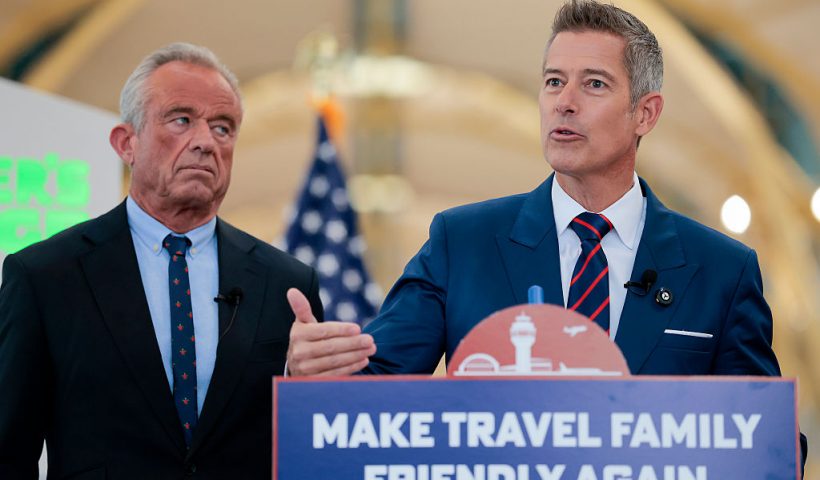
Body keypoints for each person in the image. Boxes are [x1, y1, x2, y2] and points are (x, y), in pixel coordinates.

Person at [285, 0, 806, 469]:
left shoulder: (721, 269)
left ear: (645, 113)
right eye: (554, 81)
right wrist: (312, 377)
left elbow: (765, 438)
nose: (565, 102)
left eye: (594, 84)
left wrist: (776, 446)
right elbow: (372, 397)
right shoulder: (460, 243)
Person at [0, 43, 323, 479]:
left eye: (223, 128)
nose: (206, 142)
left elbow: (311, 449)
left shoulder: (286, 282)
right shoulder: (45, 276)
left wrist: (309, 391)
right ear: (126, 143)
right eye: (182, 120)